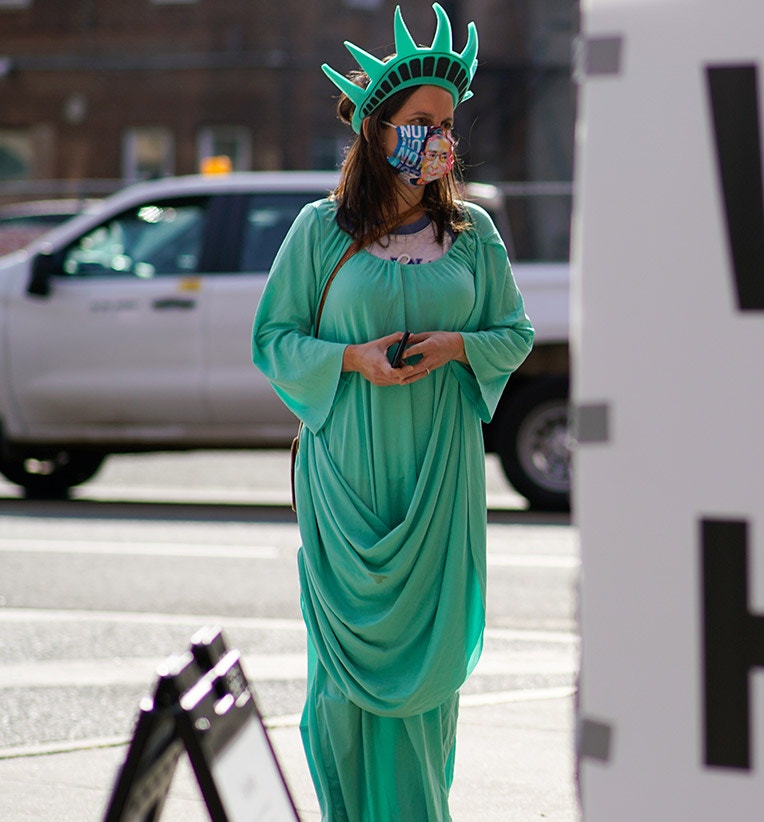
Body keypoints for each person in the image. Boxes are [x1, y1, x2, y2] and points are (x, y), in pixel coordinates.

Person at [250, 5, 534, 819]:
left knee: (426, 683)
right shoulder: (319, 232)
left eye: (447, 124)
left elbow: (513, 331)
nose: (438, 138)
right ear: (377, 132)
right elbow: (273, 337)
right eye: (420, 123)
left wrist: (456, 346)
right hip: (346, 477)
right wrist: (350, 358)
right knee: (341, 694)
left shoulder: (474, 233)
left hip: (439, 477)